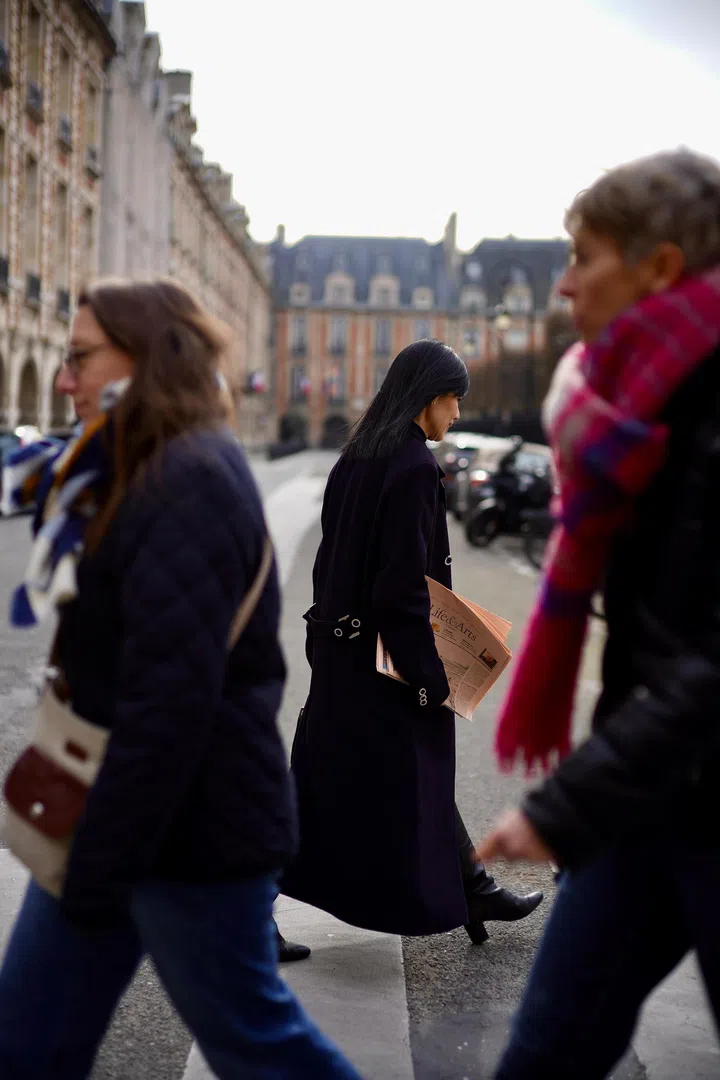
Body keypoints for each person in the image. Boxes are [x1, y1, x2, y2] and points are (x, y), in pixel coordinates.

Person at [0, 279, 362, 1080]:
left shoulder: (186, 477)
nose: (65, 381)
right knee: (25, 1044)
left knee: (261, 1046)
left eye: (81, 358)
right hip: (125, 814)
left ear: (150, 357)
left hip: (185, 831)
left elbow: (171, 704)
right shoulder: (144, 464)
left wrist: (96, 864)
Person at [476, 149, 720, 1079]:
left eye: (584, 257)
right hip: (650, 797)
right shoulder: (628, 406)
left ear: (658, 268)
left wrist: (570, 803)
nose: (564, 284)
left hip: (682, 796)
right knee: (545, 1055)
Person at [282, 339, 543, 945]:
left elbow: (330, 560)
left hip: (342, 649)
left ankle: (474, 892)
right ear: (429, 398)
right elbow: (400, 590)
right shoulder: (413, 466)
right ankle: (246, 910)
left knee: (370, 778)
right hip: (385, 659)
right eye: (454, 400)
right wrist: (428, 677)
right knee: (349, 783)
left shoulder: (357, 456)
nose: (457, 415)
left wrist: (328, 636)